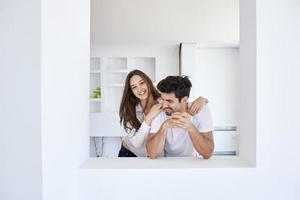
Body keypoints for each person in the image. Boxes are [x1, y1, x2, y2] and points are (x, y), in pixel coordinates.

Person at [118, 70, 208, 157]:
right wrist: (148, 118)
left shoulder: (163, 101)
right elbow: (136, 143)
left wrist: (203, 100)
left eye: (142, 83)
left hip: (152, 156)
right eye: (134, 87)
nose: (139, 89)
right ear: (131, 91)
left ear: (148, 83)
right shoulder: (130, 110)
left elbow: (181, 101)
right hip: (130, 152)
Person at [146, 76, 214, 159]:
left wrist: (190, 127)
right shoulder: (159, 111)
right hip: (166, 162)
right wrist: (164, 127)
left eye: (169, 101)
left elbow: (207, 153)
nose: (164, 105)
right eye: (162, 99)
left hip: (191, 162)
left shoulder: (201, 110)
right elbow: (152, 154)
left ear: (184, 100)